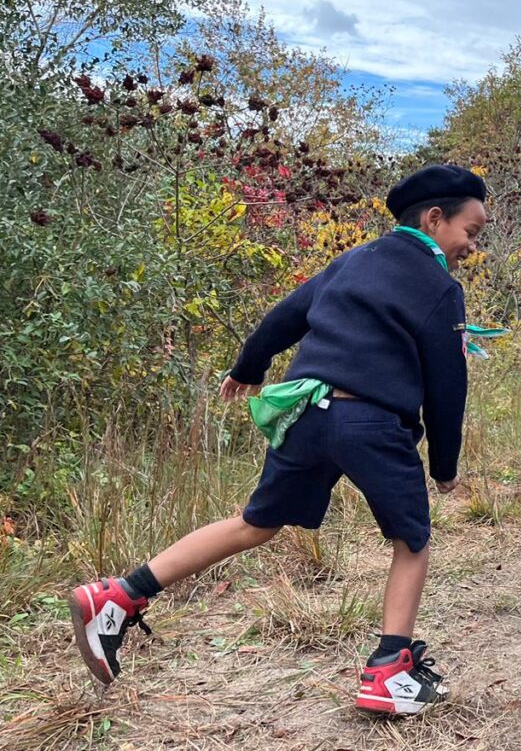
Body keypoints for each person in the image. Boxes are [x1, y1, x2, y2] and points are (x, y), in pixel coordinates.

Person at [69, 164, 488, 717]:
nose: (470, 247)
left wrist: (250, 366)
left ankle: (119, 594)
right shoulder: (439, 286)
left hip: (306, 412)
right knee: (412, 541)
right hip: (371, 423)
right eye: (470, 232)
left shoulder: (351, 261)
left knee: (255, 523)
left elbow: (285, 316)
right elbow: (446, 383)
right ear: (435, 219)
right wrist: (445, 465)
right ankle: (390, 670)